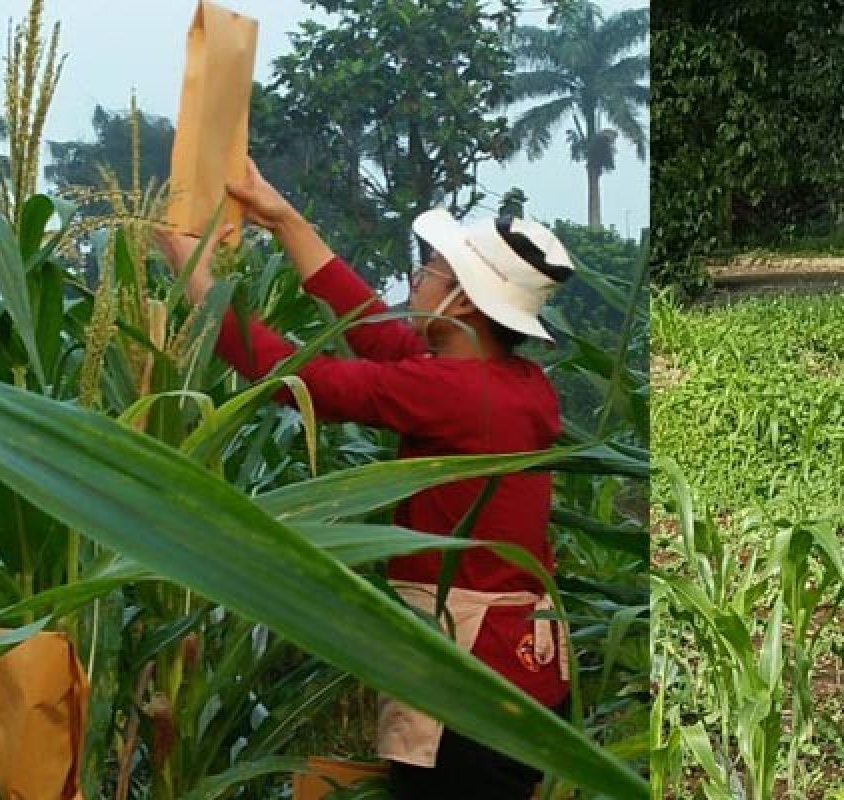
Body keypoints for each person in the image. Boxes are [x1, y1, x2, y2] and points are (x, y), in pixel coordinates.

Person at [155, 159, 575, 799]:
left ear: (464, 299)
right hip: (521, 672)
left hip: (466, 690)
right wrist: (284, 220)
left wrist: (201, 285)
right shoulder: (514, 386)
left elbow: (303, 382)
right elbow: (378, 333)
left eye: (430, 272)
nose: (416, 280)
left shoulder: (452, 392)